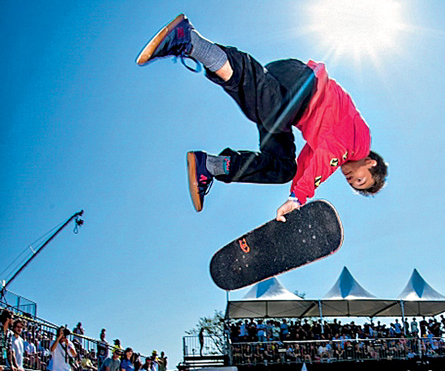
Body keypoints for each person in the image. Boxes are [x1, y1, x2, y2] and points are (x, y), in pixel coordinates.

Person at [136, 14, 387, 220]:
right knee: (270, 111)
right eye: (360, 179)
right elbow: (328, 157)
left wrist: (293, 200)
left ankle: (210, 165)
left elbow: (309, 164)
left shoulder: (333, 148)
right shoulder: (358, 145)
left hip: (290, 107)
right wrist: (299, 197)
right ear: (370, 163)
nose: (351, 179)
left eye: (354, 185)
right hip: (302, 85)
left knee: (284, 168)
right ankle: (191, 41)